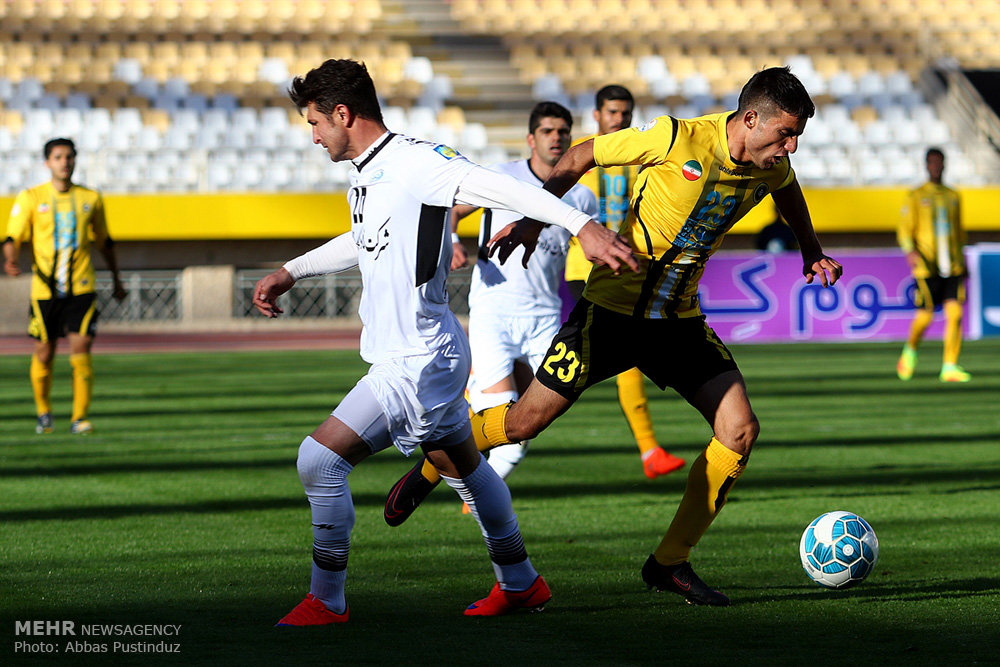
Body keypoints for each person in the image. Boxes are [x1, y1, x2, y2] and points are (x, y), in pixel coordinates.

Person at [388, 66, 843, 607]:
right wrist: (535, 220)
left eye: (796, 137)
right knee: (523, 421)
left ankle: (669, 563)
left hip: (678, 322)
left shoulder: (773, 167)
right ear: (750, 119)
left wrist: (810, 248)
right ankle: (433, 461)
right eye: (784, 134)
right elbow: (581, 154)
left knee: (740, 430)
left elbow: (790, 196)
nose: (790, 147)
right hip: (611, 312)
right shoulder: (678, 137)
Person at [251, 59, 636, 625]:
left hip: (417, 360)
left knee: (319, 461)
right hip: (416, 353)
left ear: (342, 114)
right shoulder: (366, 169)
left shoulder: (418, 161)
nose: (312, 137)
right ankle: (522, 582)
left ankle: (326, 600)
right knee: (468, 470)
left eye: (315, 123)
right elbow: (363, 238)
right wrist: (292, 270)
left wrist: (582, 226)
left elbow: (504, 186)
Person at [383, 102, 600, 525]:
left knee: (530, 424)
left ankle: (442, 474)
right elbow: (447, 210)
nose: (556, 137)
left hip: (544, 319)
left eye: (563, 131)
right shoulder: (502, 177)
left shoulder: (582, 194)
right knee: (499, 416)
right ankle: (475, 500)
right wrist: (452, 240)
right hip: (494, 315)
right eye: (547, 130)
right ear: (531, 138)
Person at [564, 85, 685, 479]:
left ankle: (650, 451)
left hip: (621, 270)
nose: (619, 119)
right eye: (612, 112)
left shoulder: (641, 156)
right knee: (530, 362)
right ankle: (469, 458)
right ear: (596, 115)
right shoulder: (581, 158)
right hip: (579, 271)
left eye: (625, 113)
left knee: (627, 360)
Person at [3, 138, 126, 435]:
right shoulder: (31, 197)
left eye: (69, 156)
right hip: (45, 290)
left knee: (81, 349)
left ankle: (79, 418)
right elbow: (12, 237)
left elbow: (104, 241)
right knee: (44, 352)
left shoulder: (91, 198)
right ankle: (44, 413)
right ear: (47, 162)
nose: (65, 162)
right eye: (58, 157)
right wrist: (10, 261)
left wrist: (116, 278)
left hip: (82, 287)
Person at [896, 147, 970, 382]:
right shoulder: (916, 196)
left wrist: (963, 258)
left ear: (945, 165)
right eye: (932, 163)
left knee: (956, 313)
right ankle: (910, 351)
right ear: (926, 166)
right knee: (925, 316)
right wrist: (911, 250)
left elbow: (959, 231)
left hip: (953, 266)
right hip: (927, 265)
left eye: (940, 162)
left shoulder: (953, 196)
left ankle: (949, 366)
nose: (936, 167)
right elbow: (905, 229)